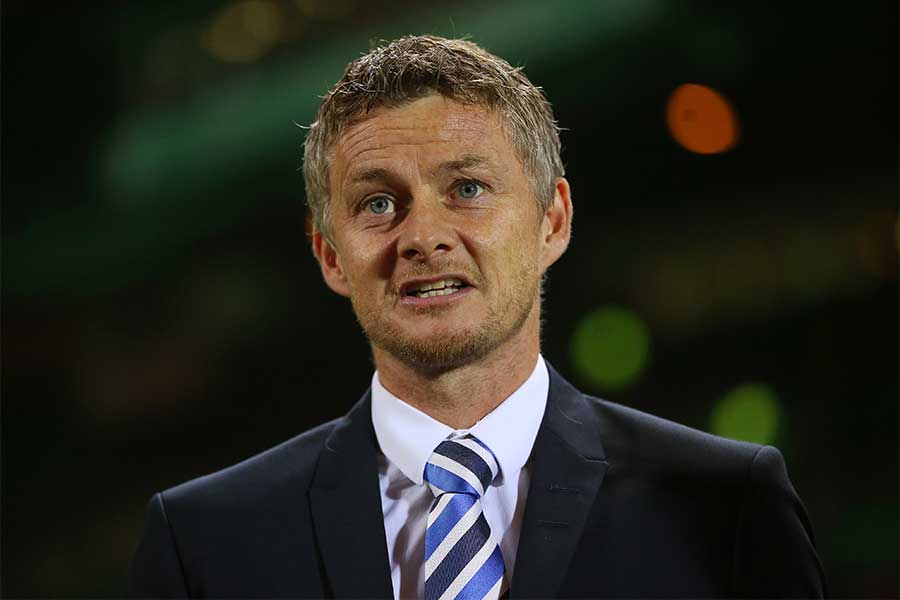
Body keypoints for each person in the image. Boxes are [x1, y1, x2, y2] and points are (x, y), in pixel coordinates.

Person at [128, 35, 826, 599]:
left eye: (467, 188)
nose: (422, 236)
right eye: (378, 203)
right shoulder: (206, 544)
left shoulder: (724, 507)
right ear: (330, 254)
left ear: (552, 221)